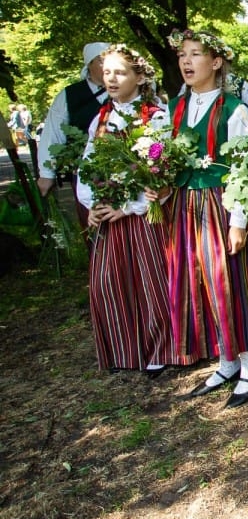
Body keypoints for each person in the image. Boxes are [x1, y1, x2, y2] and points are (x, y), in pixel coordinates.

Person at [160, 29, 248, 406]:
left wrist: (238, 219)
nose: (186, 62)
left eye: (195, 54)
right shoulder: (175, 108)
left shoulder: (233, 108)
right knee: (199, 280)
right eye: (182, 56)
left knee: (229, 280)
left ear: (217, 62)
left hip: (218, 204)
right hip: (184, 206)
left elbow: (243, 167)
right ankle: (226, 357)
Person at [76, 45, 177, 377]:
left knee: (151, 281)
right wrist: (93, 204)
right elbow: (88, 165)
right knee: (108, 281)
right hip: (110, 215)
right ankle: (125, 347)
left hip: (142, 215)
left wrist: (129, 204)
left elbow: (161, 169)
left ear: (139, 76)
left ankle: (161, 349)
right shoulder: (101, 118)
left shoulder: (154, 115)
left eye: (120, 72)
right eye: (107, 73)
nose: (112, 79)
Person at [37, 42, 110, 199]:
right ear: (89, 64)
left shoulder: (126, 89)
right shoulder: (68, 96)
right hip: (84, 172)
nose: (108, 64)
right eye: (101, 60)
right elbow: (53, 132)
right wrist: (46, 173)